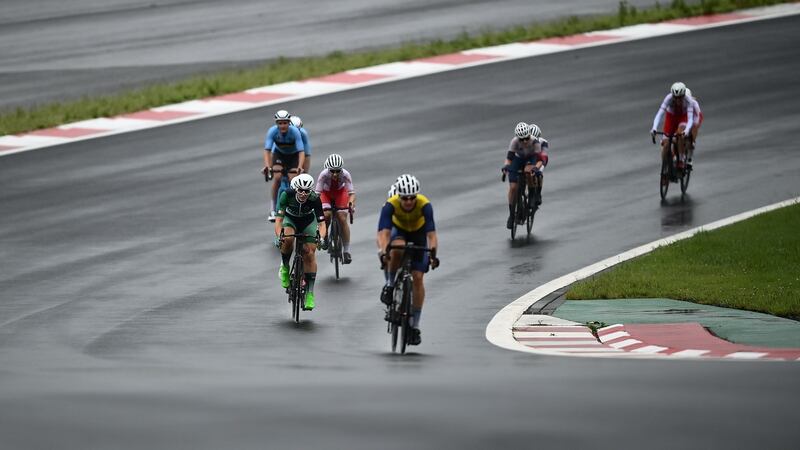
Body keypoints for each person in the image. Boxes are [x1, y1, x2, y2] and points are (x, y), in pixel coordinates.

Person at [377, 174, 439, 346]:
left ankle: (415, 325)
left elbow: (431, 235)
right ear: (399, 196)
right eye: (405, 198)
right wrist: (383, 252)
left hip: (418, 234)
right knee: (397, 249)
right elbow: (384, 234)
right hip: (399, 231)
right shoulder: (391, 205)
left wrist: (433, 255)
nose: (409, 202)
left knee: (418, 278)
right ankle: (390, 285)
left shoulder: (425, 205)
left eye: (412, 198)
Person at [274, 173, 327, 310]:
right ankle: (285, 267)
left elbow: (322, 224)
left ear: (311, 191)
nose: (303, 194)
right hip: (290, 220)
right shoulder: (286, 194)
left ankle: (310, 293)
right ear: (296, 189)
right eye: (301, 191)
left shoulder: (315, 199)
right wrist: (279, 235)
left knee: (309, 252)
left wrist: (320, 238)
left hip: (307, 222)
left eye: (307, 191)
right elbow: (279, 220)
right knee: (288, 238)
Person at [501, 122, 549, 229]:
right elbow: (509, 157)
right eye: (521, 139)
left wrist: (536, 169)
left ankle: (533, 194)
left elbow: (541, 159)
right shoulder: (514, 141)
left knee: (531, 172)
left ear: (530, 135)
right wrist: (505, 167)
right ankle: (512, 215)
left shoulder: (537, 142)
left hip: (532, 158)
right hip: (518, 159)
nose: (525, 141)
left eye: (527, 138)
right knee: (513, 187)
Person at [263, 110, 305, 222]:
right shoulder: (272, 131)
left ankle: (294, 205)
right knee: (277, 178)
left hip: (293, 156)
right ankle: (273, 208)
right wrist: (268, 166)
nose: (282, 126)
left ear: (288, 122)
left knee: (293, 180)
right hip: (279, 155)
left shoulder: (295, 132)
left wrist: (300, 166)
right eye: (280, 123)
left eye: (285, 123)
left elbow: (301, 151)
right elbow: (267, 150)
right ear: (277, 124)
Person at [315, 153, 356, 264]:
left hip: (340, 194)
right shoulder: (323, 174)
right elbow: (317, 194)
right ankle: (326, 234)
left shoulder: (346, 174)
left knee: (342, 218)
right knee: (326, 214)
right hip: (326, 194)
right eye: (332, 171)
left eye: (338, 171)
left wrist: (351, 203)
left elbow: (352, 194)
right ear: (328, 169)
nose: (335, 174)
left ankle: (346, 251)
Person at [651, 82, 695, 171]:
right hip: (671, 118)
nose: (678, 100)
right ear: (672, 96)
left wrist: (686, 130)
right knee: (666, 144)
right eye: (675, 97)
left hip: (683, 118)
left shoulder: (689, 101)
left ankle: (681, 159)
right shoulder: (668, 98)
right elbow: (659, 114)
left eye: (680, 98)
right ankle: (664, 169)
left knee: (680, 134)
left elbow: (690, 119)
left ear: (684, 96)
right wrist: (654, 127)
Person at [684, 88, 703, 168]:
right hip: (684, 118)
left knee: (690, 139)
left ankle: (690, 158)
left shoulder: (694, 103)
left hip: (695, 118)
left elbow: (698, 116)